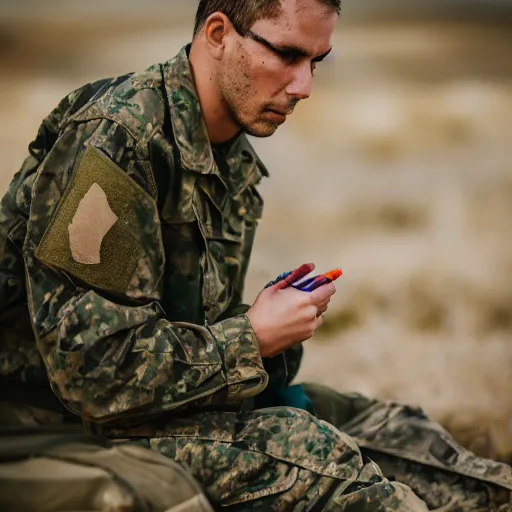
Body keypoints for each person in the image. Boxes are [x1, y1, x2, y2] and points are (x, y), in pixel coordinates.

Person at [0, 0, 511, 509]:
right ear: (219, 34)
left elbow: (184, 336)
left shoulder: (232, 160)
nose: (304, 86)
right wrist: (251, 338)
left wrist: (273, 333)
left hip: (158, 410)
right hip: (48, 422)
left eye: (316, 61)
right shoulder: (116, 140)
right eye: (287, 54)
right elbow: (94, 376)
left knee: (408, 441)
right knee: (324, 465)